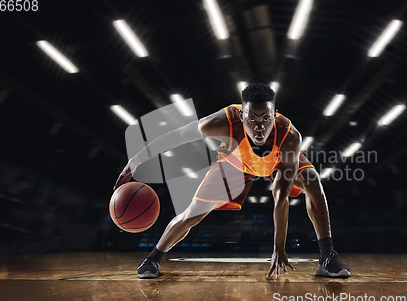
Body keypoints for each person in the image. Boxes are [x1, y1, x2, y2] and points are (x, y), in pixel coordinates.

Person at [114, 83, 350, 279]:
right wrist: (137, 159)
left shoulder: (289, 136)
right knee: (193, 214)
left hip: (276, 162)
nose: (259, 126)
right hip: (235, 163)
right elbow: (178, 136)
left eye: (266, 118)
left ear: (275, 114)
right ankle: (153, 258)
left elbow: (281, 196)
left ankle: (327, 256)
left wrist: (279, 247)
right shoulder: (220, 121)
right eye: (252, 118)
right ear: (241, 114)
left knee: (312, 179)